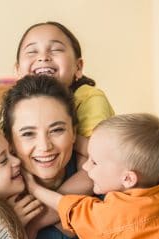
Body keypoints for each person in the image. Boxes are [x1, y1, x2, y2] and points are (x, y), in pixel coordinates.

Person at [23, 113, 159, 239]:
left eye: (95, 162)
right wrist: (69, 138)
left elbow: (71, 208)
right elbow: (110, 153)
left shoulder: (116, 218)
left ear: (128, 179)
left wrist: (34, 188)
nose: (86, 166)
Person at [0, 74, 95, 239]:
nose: (44, 146)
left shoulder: (108, 184)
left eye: (57, 130)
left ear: (74, 133)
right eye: (28, 134)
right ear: (9, 140)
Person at [12, 21, 115, 195]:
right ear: (17, 70)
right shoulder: (15, 105)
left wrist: (45, 213)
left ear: (78, 66)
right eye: (32, 51)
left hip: (82, 193)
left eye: (56, 50)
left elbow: (94, 168)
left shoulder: (89, 98)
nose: (43, 57)